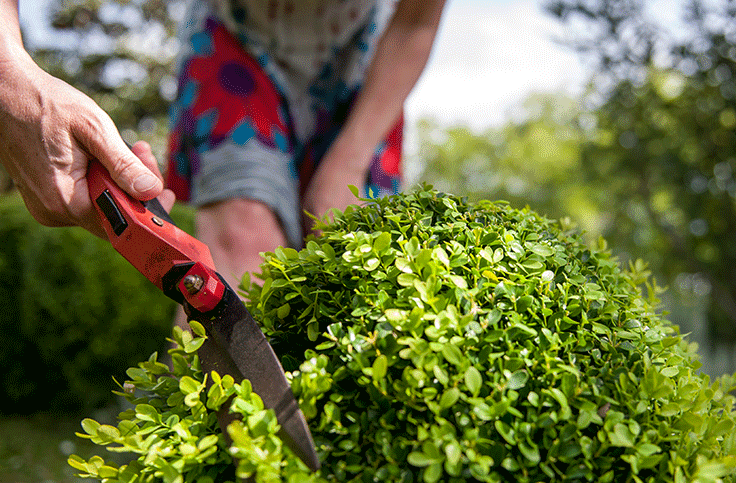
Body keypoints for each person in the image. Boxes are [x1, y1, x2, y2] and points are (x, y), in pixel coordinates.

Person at [0, 0, 446, 287]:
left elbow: (416, 22)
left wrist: (349, 161)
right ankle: (214, 429)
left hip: (366, 65)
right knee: (243, 238)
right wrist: (13, 83)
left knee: (353, 262)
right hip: (234, 43)